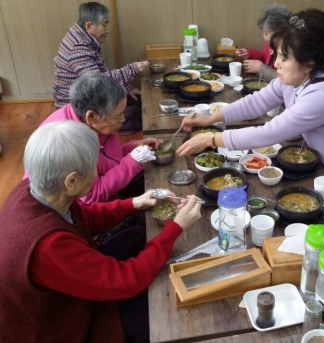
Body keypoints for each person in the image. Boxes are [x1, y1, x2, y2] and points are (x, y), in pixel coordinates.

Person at [0, 120, 202, 343]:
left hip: (65, 284)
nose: (97, 172)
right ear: (71, 180)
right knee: (163, 312)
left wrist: (134, 203)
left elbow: (86, 217)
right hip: (61, 321)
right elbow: (126, 281)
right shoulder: (48, 246)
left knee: (136, 236)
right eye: (93, 168)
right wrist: (176, 227)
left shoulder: (35, 189)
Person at [178, 9, 324, 205]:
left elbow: (269, 133)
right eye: (277, 54)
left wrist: (211, 138)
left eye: (284, 57)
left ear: (309, 64)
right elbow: (257, 102)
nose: (276, 63)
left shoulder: (323, 95)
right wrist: (211, 119)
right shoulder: (295, 78)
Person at [25, 72, 161, 204]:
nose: (123, 119)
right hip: (81, 211)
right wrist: (133, 161)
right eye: (117, 116)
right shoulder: (67, 144)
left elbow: (103, 158)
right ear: (92, 117)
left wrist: (131, 148)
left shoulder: (85, 118)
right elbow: (92, 195)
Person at [54, 2, 149, 132]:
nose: (107, 30)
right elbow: (98, 83)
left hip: (92, 95)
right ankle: (98, 129)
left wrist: (126, 88)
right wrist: (133, 69)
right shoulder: (78, 47)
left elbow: (101, 72)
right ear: (89, 25)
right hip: (77, 107)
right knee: (137, 114)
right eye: (104, 24)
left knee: (141, 101)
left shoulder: (84, 37)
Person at [237, 4, 324, 83]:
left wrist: (261, 68)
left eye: (284, 57)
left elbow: (285, 81)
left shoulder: (307, 52)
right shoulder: (311, 46)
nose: (277, 64)